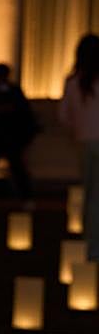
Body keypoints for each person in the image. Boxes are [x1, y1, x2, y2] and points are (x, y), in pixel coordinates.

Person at [59, 34, 99, 261]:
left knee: (90, 196)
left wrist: (79, 129)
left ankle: (90, 246)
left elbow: (64, 116)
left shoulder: (73, 82)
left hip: (84, 144)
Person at [0, 63, 37, 198]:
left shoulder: (14, 92)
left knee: (17, 166)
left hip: (11, 135)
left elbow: (24, 112)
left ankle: (25, 195)